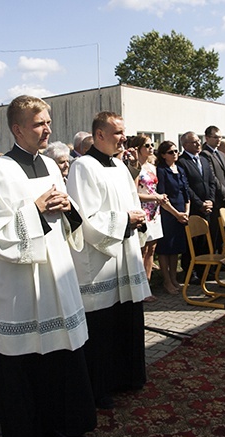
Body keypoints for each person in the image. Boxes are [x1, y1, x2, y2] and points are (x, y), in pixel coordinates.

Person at [0, 95, 95, 437]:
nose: (48, 129)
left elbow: (62, 216)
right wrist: (37, 211)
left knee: (57, 353)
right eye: (40, 123)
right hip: (18, 284)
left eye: (49, 121)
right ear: (17, 128)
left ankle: (57, 422)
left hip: (54, 272)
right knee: (20, 362)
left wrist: (69, 210)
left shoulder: (51, 166)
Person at [67, 111, 151, 411]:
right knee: (103, 326)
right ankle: (101, 386)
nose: (123, 138)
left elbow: (131, 202)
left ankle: (128, 376)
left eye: (123, 131)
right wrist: (125, 219)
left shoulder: (118, 165)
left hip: (125, 253)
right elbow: (85, 218)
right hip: (100, 260)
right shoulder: (82, 167)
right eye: (117, 132)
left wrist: (137, 219)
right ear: (99, 135)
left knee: (126, 316)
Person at [176, 131, 215, 284]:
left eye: (199, 141)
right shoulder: (182, 162)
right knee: (191, 242)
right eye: (194, 142)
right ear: (185, 145)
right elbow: (186, 187)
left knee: (205, 241)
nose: (198, 144)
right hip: (193, 208)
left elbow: (211, 181)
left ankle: (205, 271)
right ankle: (189, 273)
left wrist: (210, 201)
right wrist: (200, 204)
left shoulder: (204, 159)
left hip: (208, 207)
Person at [130, 135, 165, 302]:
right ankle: (140, 288)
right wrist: (155, 198)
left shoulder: (152, 166)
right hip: (144, 211)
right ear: (138, 148)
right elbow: (135, 193)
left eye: (152, 145)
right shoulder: (136, 168)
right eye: (147, 145)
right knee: (143, 249)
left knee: (152, 248)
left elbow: (154, 188)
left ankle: (148, 285)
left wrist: (158, 198)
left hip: (155, 212)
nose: (151, 148)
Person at [155, 141, 190, 295]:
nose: (175, 154)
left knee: (175, 248)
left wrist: (186, 212)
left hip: (182, 213)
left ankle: (174, 278)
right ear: (163, 155)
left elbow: (186, 193)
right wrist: (176, 213)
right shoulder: (161, 170)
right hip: (168, 213)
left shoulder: (180, 169)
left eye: (176, 151)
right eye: (171, 152)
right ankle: (167, 280)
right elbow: (162, 196)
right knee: (165, 248)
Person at [201, 126, 225, 253]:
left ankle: (222, 258)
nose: (218, 140)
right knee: (214, 232)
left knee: (222, 233)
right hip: (216, 198)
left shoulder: (220, 154)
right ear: (207, 138)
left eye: (220, 137)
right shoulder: (205, 154)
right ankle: (213, 261)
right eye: (215, 137)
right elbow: (212, 177)